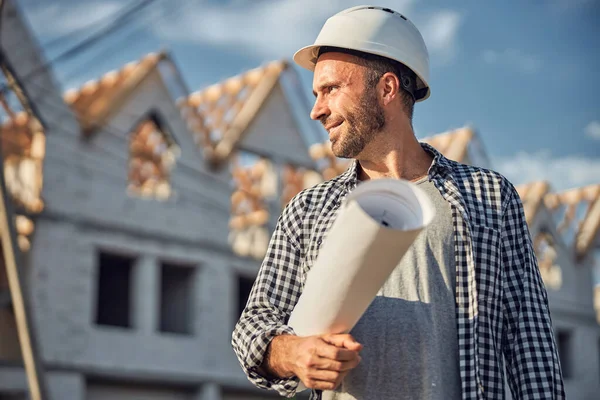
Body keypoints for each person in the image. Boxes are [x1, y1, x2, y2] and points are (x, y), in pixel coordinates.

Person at [232, 5, 565, 400]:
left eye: (331, 89)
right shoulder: (308, 209)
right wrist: (293, 352)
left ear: (387, 89)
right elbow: (255, 325)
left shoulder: (489, 197)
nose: (317, 110)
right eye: (316, 93)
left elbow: (531, 344)